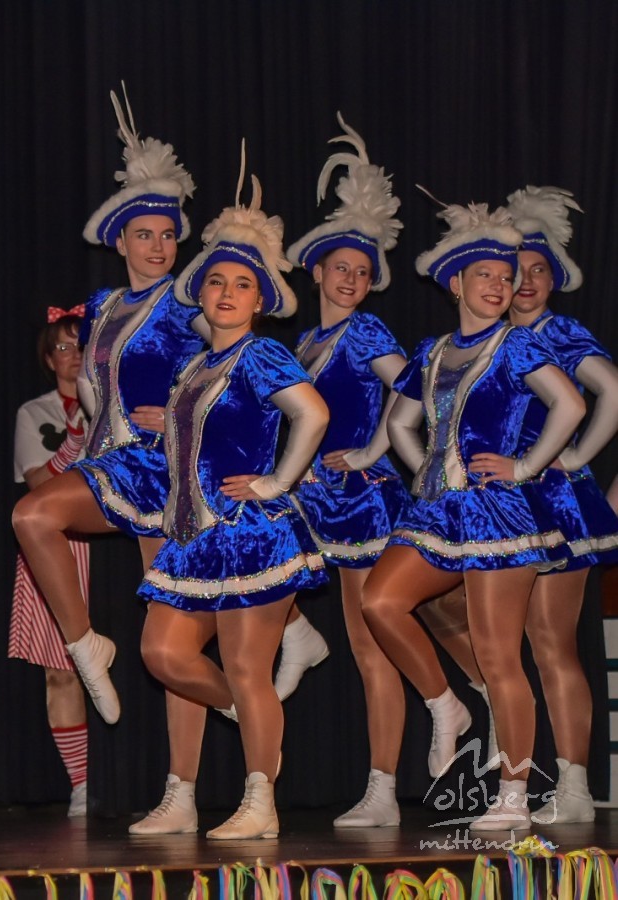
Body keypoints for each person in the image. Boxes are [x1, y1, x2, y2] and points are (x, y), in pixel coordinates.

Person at [10, 88, 215, 834]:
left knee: (170, 644)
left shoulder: (192, 304)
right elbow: (97, 386)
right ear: (121, 241)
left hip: (172, 475)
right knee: (32, 515)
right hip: (115, 465)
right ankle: (83, 639)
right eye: (145, 235)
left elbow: (241, 369)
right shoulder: (102, 307)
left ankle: (183, 792)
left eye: (167, 235)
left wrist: (186, 412)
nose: (158, 246)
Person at [362, 200, 586, 831]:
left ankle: (513, 796)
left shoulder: (515, 344)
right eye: (484, 275)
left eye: (506, 277)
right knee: (380, 601)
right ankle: (444, 705)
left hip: (498, 513)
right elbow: (400, 423)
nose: (498, 285)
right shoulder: (432, 351)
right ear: (455, 283)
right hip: (437, 511)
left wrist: (525, 466)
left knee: (497, 653)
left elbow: (570, 404)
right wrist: (429, 469)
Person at [138, 159, 330, 841]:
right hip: (192, 536)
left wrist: (277, 482)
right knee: (162, 654)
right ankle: (251, 728)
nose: (226, 292)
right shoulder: (195, 365)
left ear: (260, 300)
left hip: (252, 532)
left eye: (242, 284)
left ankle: (259, 799)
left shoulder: (261, 355)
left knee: (249, 667)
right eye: (216, 281)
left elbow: (313, 414)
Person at [283, 116, 413, 827]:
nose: (354, 280)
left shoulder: (365, 330)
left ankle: (383, 788)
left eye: (364, 272)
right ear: (317, 272)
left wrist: (371, 452)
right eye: (343, 269)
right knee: (257, 575)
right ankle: (299, 635)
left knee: (371, 646)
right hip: (314, 500)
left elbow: (413, 387)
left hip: (362, 500)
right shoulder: (306, 339)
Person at [505, 186, 618, 823]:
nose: (525, 282)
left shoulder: (562, 332)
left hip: (551, 501)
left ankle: (573, 787)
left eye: (538, 271)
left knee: (551, 641)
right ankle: (514, 775)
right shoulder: (492, 338)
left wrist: (573, 459)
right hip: (498, 504)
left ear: (555, 279)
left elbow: (613, 393)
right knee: (502, 642)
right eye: (515, 270)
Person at [8, 308, 93, 816]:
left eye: (81, 345)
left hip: (110, 545)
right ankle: (81, 782)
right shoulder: (34, 412)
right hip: (54, 548)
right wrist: (75, 444)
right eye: (63, 347)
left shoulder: (116, 406)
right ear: (48, 358)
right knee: (61, 670)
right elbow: (37, 483)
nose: (73, 356)